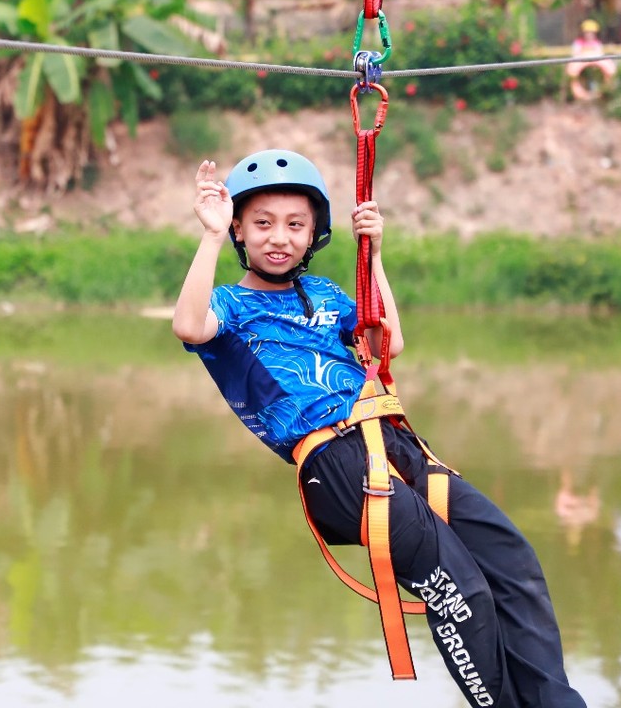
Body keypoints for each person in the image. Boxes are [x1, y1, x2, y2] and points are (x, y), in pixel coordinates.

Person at [172, 151, 587, 708]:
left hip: (394, 443)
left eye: (296, 226)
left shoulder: (324, 296)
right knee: (459, 591)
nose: (279, 238)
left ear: (315, 234)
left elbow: (386, 343)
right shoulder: (228, 305)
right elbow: (189, 325)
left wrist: (375, 255)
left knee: (513, 562)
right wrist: (210, 237)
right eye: (263, 223)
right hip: (336, 464)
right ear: (242, 231)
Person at [566, 19, 616, 100]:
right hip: (581, 69)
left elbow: (601, 56)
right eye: (587, 33)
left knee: (595, 78)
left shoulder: (597, 43)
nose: (589, 35)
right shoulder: (578, 43)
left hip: (595, 69)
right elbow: (574, 54)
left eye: (591, 33)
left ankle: (597, 93)